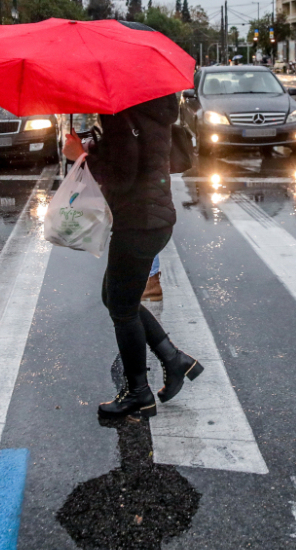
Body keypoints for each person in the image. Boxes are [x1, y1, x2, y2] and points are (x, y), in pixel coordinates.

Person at [63, 95, 203, 419]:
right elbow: (135, 158)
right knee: (114, 297)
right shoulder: (152, 107)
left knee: (122, 309)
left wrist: (81, 156)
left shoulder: (122, 114)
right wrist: (96, 147)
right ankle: (173, 359)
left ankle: (139, 392)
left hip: (138, 222)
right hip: (153, 218)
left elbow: (122, 176)